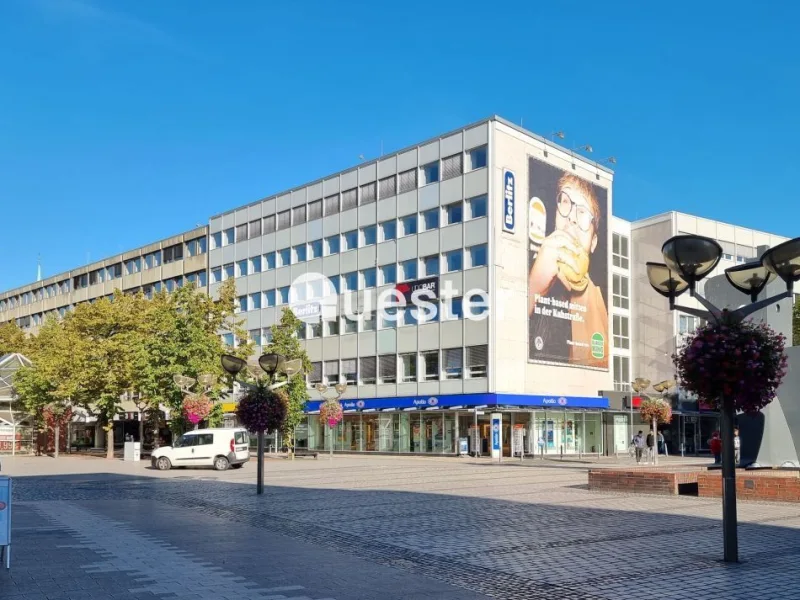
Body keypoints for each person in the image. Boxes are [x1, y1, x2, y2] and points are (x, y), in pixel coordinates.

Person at [528, 173, 608, 367]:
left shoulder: (601, 304)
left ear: (593, 242)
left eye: (583, 212)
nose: (571, 217)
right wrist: (532, 289)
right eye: (565, 202)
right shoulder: (522, 269)